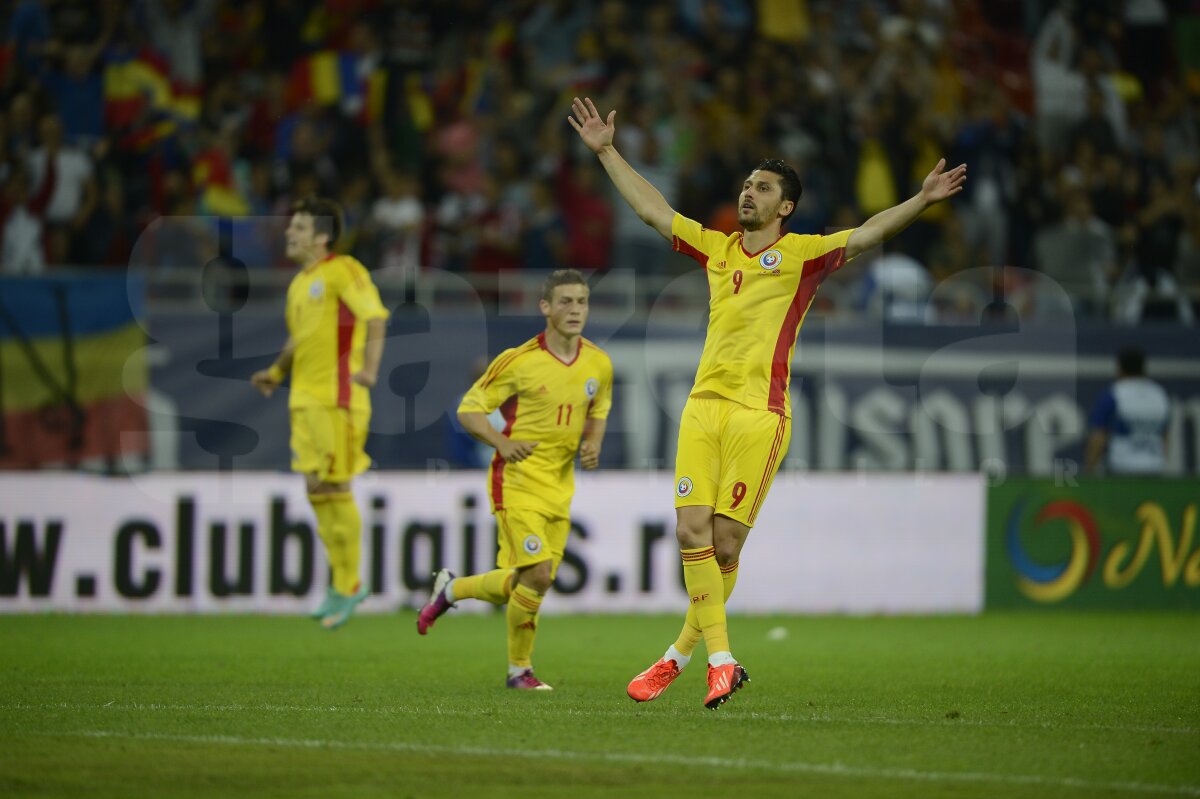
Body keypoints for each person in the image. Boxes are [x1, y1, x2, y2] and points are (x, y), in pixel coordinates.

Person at [567, 96, 966, 709]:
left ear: (786, 206)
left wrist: (921, 200)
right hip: (703, 406)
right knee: (688, 530)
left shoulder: (804, 256)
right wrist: (607, 152)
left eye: (763, 188)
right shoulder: (717, 248)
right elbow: (654, 211)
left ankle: (678, 653)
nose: (748, 193)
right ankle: (721, 661)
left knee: (723, 545)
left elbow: (869, 234)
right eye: (747, 184)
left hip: (760, 414)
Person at [416, 269, 613, 691]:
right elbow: (469, 410)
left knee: (525, 583)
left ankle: (451, 591)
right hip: (517, 479)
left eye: (581, 301)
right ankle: (518, 671)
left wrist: (592, 443)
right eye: (565, 301)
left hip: (560, 486)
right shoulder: (519, 361)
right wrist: (501, 444)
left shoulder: (599, 362)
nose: (575, 309)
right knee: (538, 575)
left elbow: (598, 408)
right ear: (545, 307)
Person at [251, 197, 389, 629]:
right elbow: (299, 339)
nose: (290, 233)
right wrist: (276, 371)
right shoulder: (299, 284)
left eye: (299, 227)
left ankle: (349, 584)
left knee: (335, 485)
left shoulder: (344, 269)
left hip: (339, 399)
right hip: (304, 400)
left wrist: (369, 369)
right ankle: (340, 583)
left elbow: (377, 317)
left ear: (322, 236)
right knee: (315, 488)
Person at [1084, 347, 1170, 475]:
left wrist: (1090, 468)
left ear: (1119, 368)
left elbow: (1099, 435)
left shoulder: (1114, 394)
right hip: (1154, 467)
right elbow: (1165, 435)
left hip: (1121, 468)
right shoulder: (1159, 394)